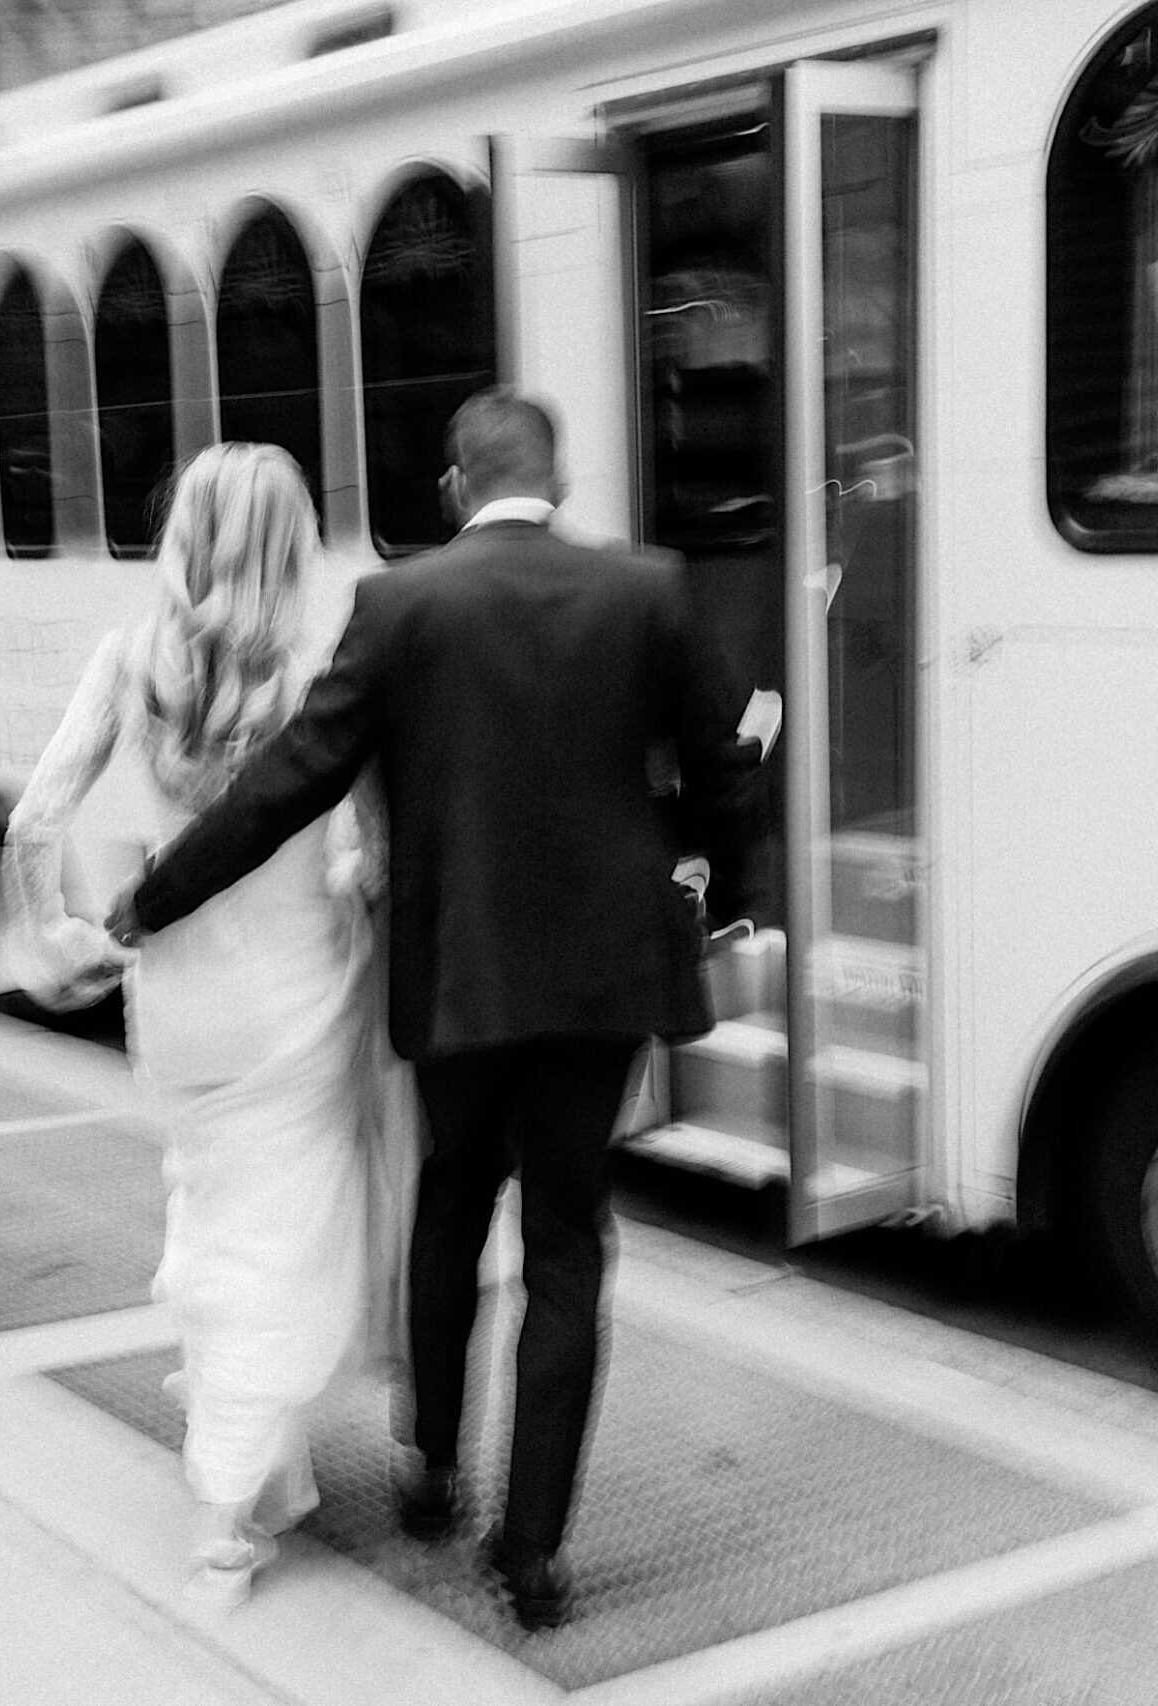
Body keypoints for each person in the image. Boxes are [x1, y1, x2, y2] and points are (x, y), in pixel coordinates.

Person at [104, 389, 764, 1631]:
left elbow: (291, 778)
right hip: (604, 981)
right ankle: (532, 1555)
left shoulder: (401, 605)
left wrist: (155, 893)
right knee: (570, 1244)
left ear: (458, 488)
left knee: (451, 1202)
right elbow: (727, 766)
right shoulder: (650, 589)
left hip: (459, 973)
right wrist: (713, 882)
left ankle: (430, 1470)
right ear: (556, 482)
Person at [4, 441, 416, 1610]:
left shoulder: (129, 660)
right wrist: (345, 887)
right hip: (295, 997)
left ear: (183, 538)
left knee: (216, 1207)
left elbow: (37, 818)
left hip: (177, 998)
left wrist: (64, 936)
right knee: (284, 1241)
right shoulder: (315, 673)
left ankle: (260, 1477)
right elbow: (373, 856)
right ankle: (225, 1503)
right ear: (290, 547)